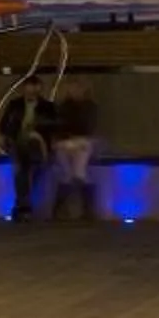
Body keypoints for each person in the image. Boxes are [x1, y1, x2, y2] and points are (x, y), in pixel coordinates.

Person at [0, 76, 51, 222]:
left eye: (35, 89)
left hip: (37, 144)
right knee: (21, 168)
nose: (32, 92)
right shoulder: (14, 105)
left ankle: (21, 206)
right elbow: (3, 125)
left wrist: (39, 135)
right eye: (29, 88)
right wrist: (5, 136)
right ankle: (24, 206)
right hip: (17, 141)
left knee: (29, 169)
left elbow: (52, 127)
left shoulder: (47, 107)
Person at [48, 89, 99, 222]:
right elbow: (58, 125)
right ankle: (61, 210)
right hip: (66, 142)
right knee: (68, 174)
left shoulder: (89, 107)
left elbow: (87, 126)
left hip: (81, 141)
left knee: (78, 174)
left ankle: (85, 209)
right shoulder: (63, 107)